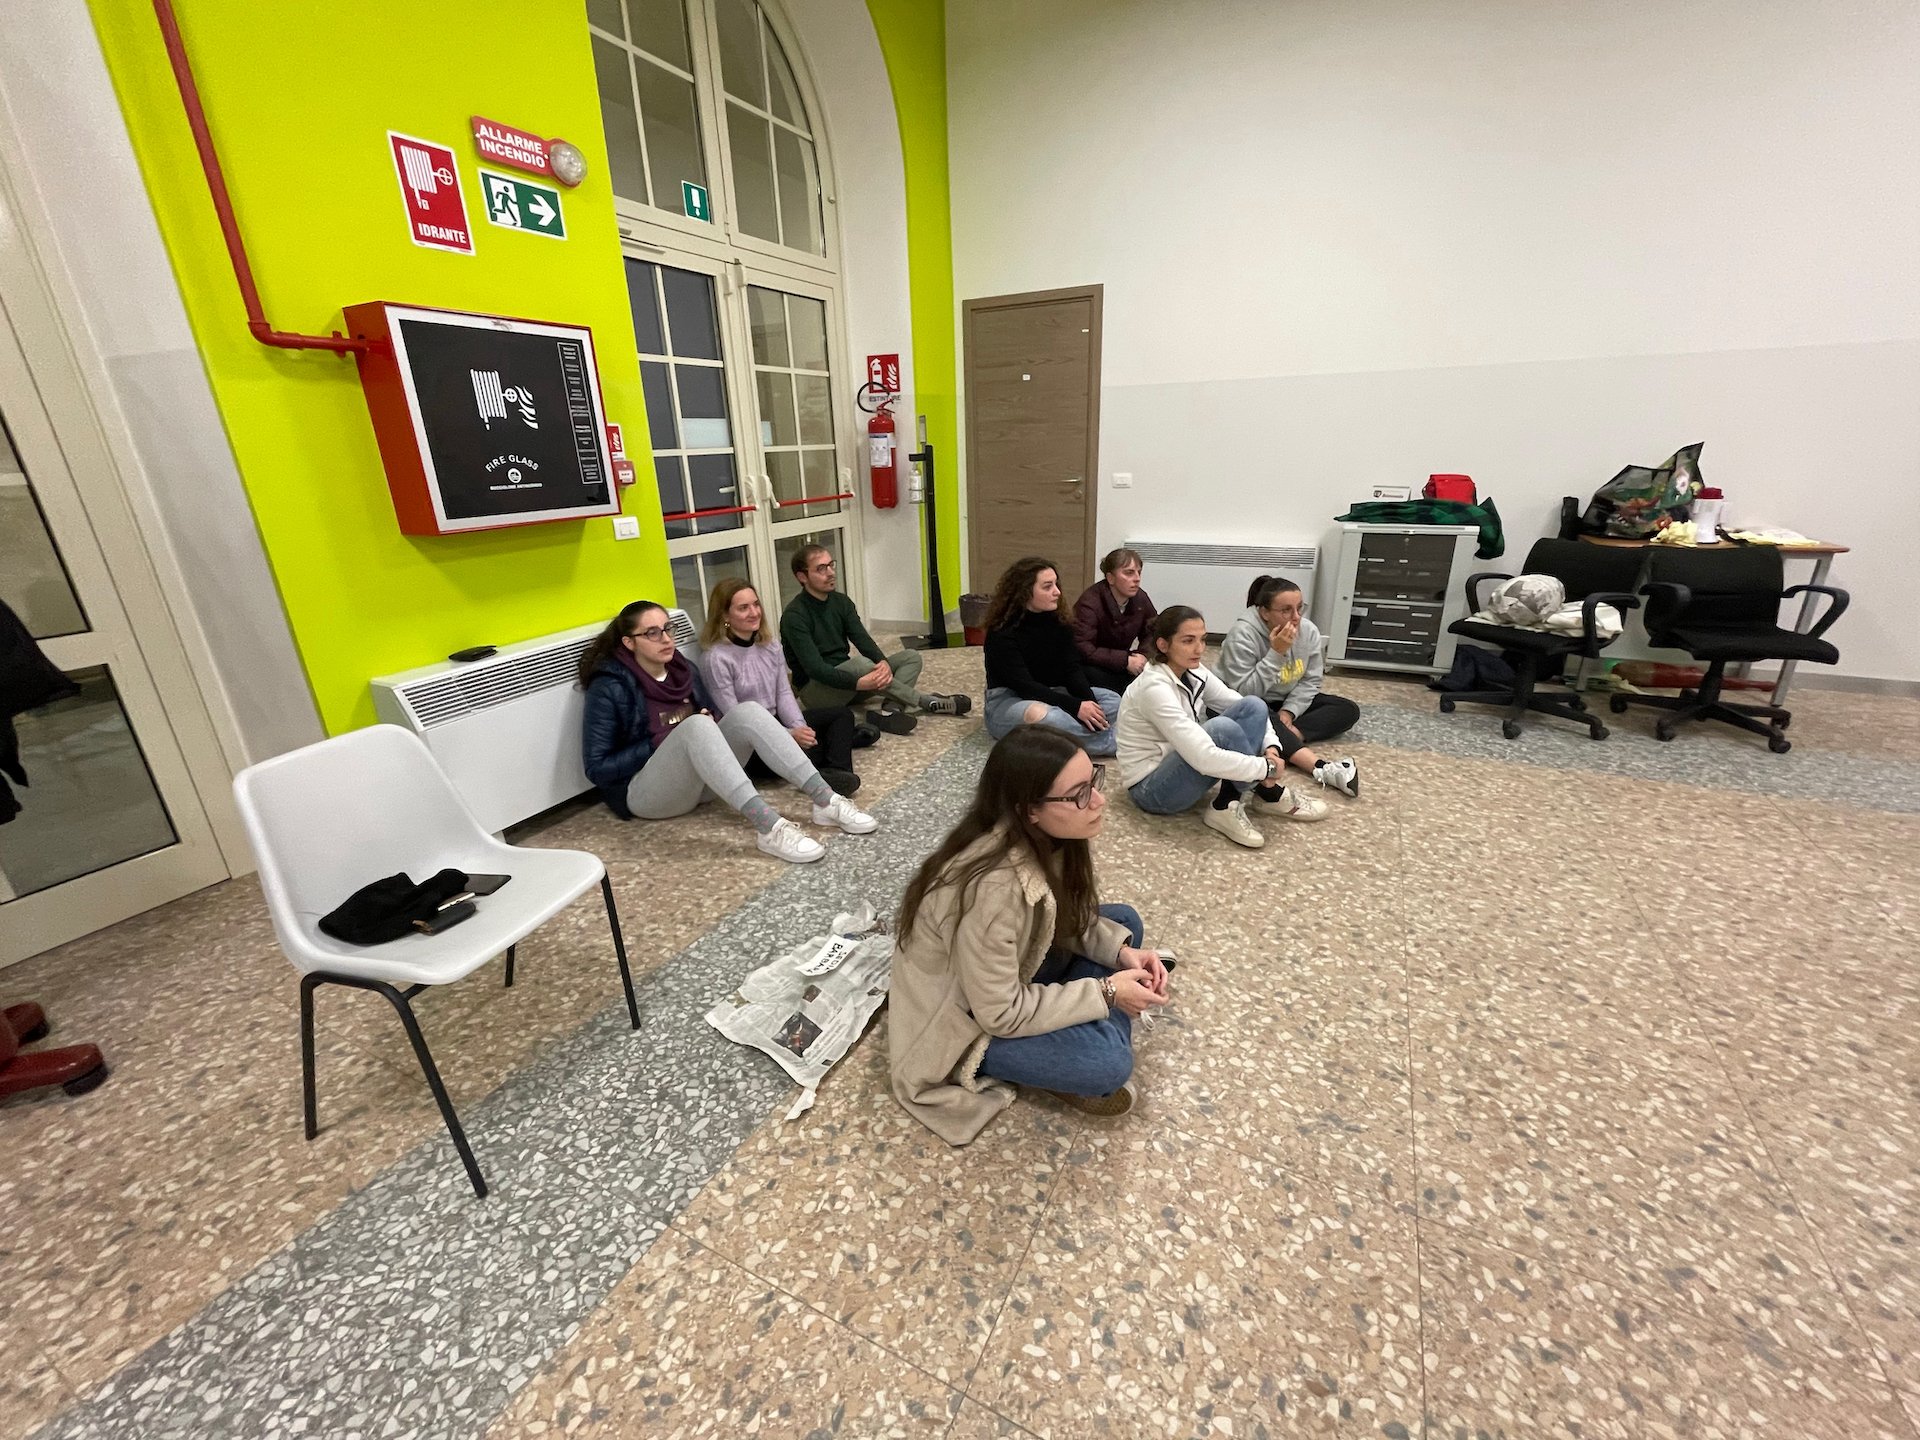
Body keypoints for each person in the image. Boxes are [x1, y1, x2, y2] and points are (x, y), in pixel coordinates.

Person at [889, 727, 1171, 1143]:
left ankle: (1083, 1032)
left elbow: (1061, 917)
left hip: (1008, 976)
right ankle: (1083, 1048)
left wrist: (1120, 955)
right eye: (1079, 794)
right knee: (1108, 1063)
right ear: (1030, 810)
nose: (1099, 800)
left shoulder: (1048, 836)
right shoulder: (992, 889)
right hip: (965, 1024)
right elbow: (999, 1014)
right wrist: (1108, 993)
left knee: (1123, 925)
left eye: (1093, 781)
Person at [580, 599, 876, 863]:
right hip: (646, 794)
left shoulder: (683, 669)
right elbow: (597, 768)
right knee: (695, 725)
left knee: (748, 711)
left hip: (701, 784)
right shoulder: (609, 687)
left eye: (668, 629)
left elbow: (716, 718)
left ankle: (825, 800)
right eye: (652, 633)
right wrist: (663, 739)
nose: (666, 639)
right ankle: (770, 828)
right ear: (629, 642)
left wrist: (710, 719)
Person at [1115, 605, 1329, 848]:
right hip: (1151, 790)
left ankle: (1228, 804)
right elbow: (1203, 758)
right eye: (1188, 641)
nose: (1199, 649)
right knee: (1221, 729)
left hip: (1179, 763)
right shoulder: (1154, 688)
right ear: (1163, 645)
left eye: (1202, 639)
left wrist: (1271, 747)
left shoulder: (1193, 669)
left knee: (1253, 705)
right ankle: (1266, 793)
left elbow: (1242, 705)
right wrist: (1265, 768)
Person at [700, 579, 871, 798]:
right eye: (743, 608)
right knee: (815, 743)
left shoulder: (770, 646)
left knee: (841, 715)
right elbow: (735, 717)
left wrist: (799, 727)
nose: (754, 612)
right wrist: (789, 735)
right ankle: (830, 756)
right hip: (750, 742)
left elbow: (783, 693)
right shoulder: (715, 659)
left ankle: (836, 772)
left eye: (756, 604)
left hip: (777, 722)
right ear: (725, 615)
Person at [778, 543, 970, 734]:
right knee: (861, 664)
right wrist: (857, 683)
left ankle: (890, 710)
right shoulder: (795, 616)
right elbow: (816, 669)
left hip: (851, 685)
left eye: (831, 565)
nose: (830, 573)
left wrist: (882, 662)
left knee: (911, 657)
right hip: (817, 693)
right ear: (802, 577)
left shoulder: (841, 602)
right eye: (821, 569)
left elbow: (862, 639)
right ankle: (925, 701)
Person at [1215, 575, 1361, 797]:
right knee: (1260, 713)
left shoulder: (1308, 631)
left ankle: (1282, 739)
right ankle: (1320, 767)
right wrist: (1276, 653)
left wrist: (1289, 711)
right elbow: (1244, 693)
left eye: (1299, 608)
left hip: (1283, 700)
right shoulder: (1242, 635)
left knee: (1347, 710)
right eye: (1286, 610)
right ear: (1264, 613)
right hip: (1243, 703)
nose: (1296, 617)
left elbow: (1311, 680)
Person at [983, 557, 1122, 758]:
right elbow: (1024, 686)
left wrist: (1088, 705)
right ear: (1025, 592)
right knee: (1046, 717)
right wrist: (1075, 707)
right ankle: (1116, 743)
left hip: (1053, 692)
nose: (1057, 592)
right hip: (1010, 700)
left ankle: (1060, 735)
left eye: (1056, 584)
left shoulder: (1060, 623)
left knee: (1112, 700)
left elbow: (1072, 670)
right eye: (1047, 587)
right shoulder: (1002, 632)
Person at [1071, 547, 1158, 692]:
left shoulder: (1140, 597)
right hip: (1093, 665)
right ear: (1110, 578)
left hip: (1124, 660)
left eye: (1139, 572)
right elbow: (1084, 648)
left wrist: (1143, 655)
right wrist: (1124, 661)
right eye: (1129, 573)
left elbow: (1154, 631)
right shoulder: (1090, 602)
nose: (1137, 578)